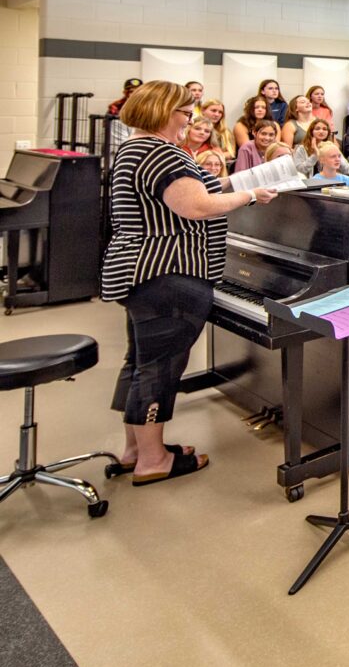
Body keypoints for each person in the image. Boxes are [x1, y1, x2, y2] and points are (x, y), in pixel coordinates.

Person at [101, 80, 279, 484]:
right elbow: (197, 204)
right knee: (161, 368)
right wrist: (250, 197)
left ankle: (135, 450)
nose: (188, 120)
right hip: (168, 271)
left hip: (139, 270)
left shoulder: (134, 148)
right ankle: (153, 460)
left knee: (141, 362)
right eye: (185, 113)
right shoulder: (162, 153)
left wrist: (238, 183)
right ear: (164, 112)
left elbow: (193, 189)